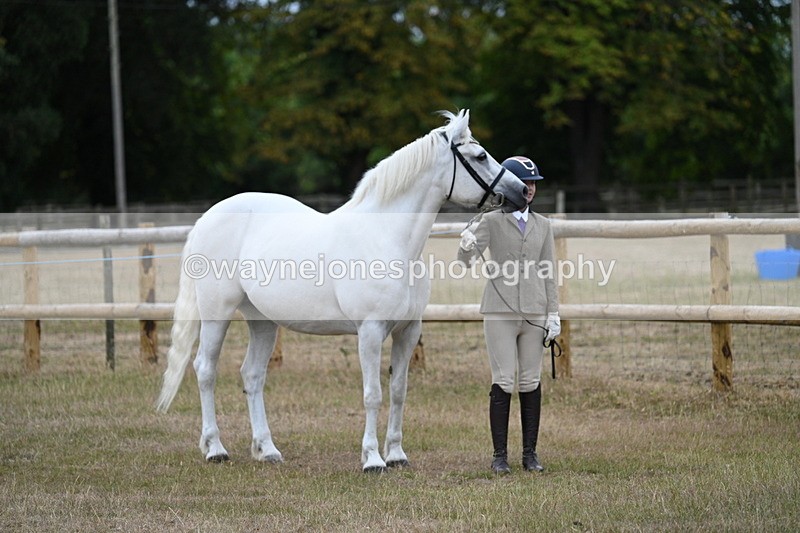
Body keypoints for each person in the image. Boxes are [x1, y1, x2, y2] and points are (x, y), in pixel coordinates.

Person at [457, 156, 560, 474]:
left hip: (534, 311)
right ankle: (499, 455)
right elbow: (466, 261)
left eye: (532, 184)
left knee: (530, 381)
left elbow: (549, 273)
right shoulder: (490, 221)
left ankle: (530, 454)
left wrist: (553, 313)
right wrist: (466, 245)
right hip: (499, 311)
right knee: (503, 380)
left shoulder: (544, 226)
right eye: (523, 183)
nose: (529, 189)